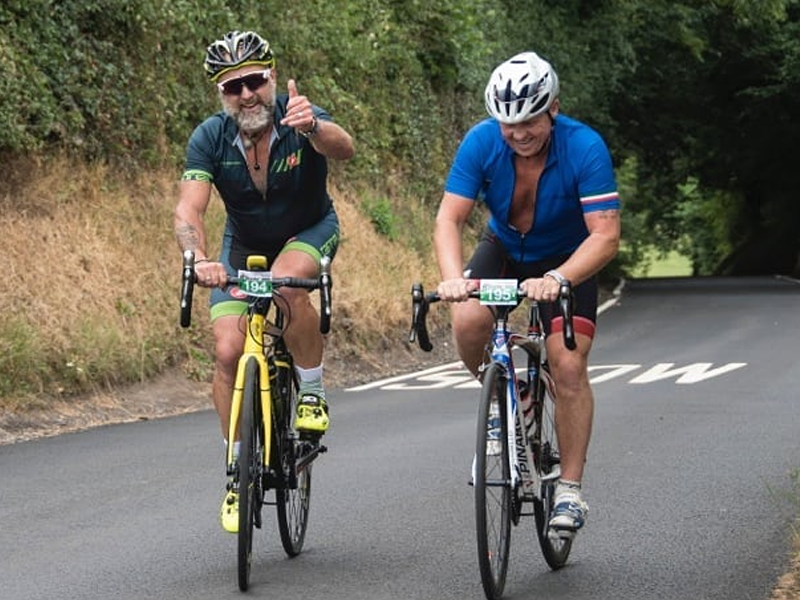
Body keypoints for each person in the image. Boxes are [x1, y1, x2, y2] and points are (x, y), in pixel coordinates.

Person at [174, 30, 355, 533]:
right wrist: (198, 257)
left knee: (286, 283)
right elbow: (190, 206)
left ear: (272, 76)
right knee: (228, 350)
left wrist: (315, 125)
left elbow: (344, 149)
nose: (247, 93)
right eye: (234, 87)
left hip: (307, 231)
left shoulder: (299, 116)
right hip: (242, 245)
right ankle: (237, 468)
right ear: (221, 94)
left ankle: (313, 391)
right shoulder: (209, 137)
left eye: (255, 80)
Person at [434, 51, 620, 536]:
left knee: (568, 364)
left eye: (529, 121)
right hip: (504, 246)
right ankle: (507, 398)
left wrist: (560, 278)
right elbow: (449, 219)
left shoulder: (585, 147)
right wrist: (454, 278)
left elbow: (604, 235)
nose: (518, 133)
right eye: (507, 123)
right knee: (469, 321)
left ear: (553, 108)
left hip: (567, 257)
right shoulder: (481, 142)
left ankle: (571, 492)